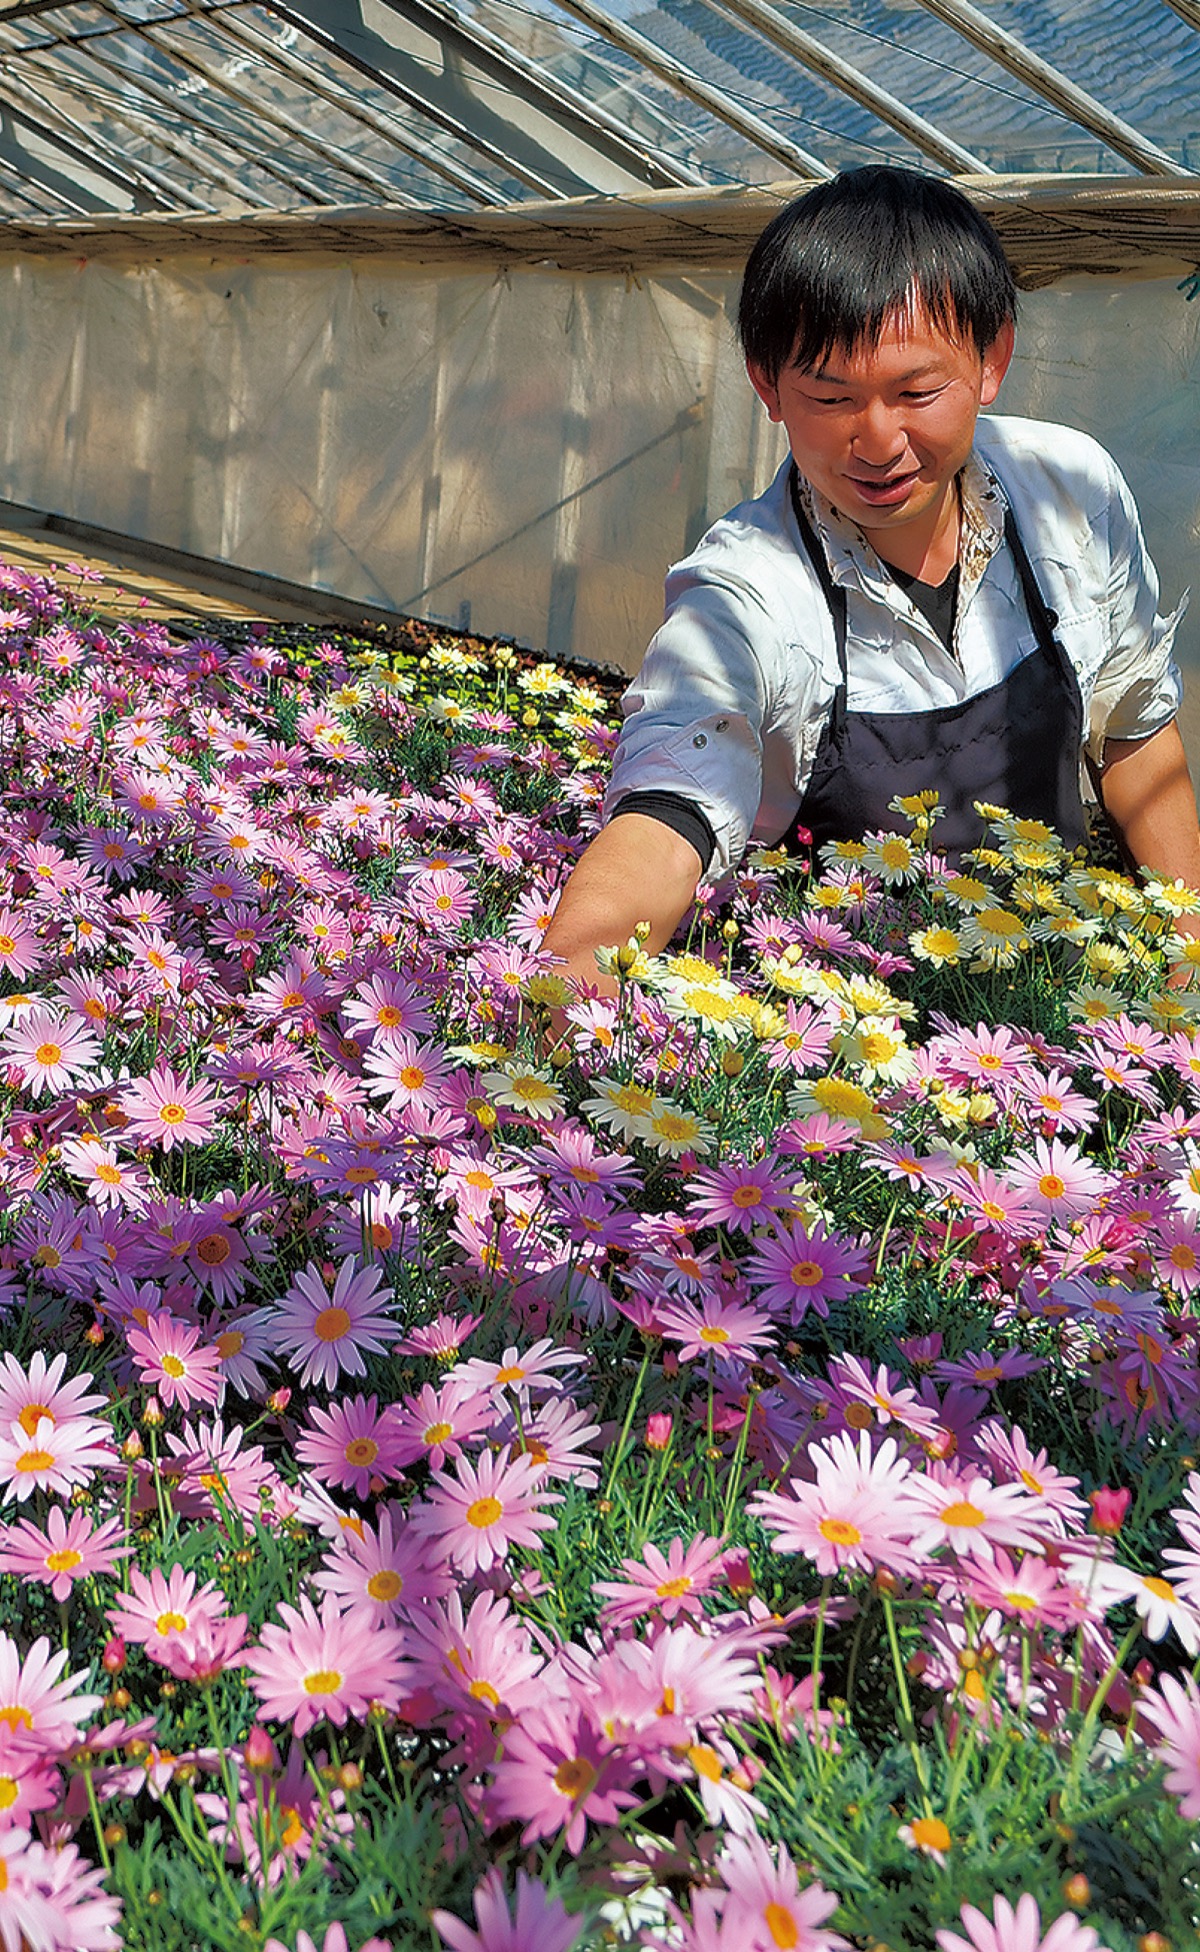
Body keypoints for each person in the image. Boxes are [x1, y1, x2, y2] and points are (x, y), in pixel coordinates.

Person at [542, 165, 1200, 997]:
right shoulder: (746, 592)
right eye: (830, 395)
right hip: (842, 1038)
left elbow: (1134, 729)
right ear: (766, 384)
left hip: (1067, 988)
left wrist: (1188, 958)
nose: (878, 440)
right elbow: (669, 805)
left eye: (917, 391)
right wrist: (563, 984)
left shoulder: (1070, 488)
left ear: (992, 359)